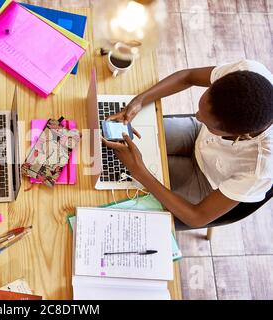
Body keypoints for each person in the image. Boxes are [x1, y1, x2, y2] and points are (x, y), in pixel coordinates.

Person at [103, 60, 273, 228]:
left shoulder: (260, 168)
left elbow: (196, 217)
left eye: (208, 122)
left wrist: (139, 171)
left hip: (205, 181)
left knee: (119, 194)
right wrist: (140, 100)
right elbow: (188, 76)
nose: (197, 116)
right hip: (197, 136)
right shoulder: (245, 75)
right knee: (117, 153)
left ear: (242, 136)